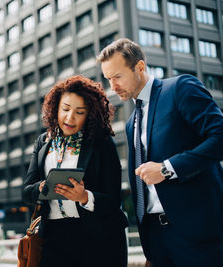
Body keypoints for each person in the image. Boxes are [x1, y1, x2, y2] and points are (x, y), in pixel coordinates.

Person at [98, 38, 223, 267]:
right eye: (108, 79)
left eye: (117, 76)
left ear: (140, 67)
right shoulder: (131, 122)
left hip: (198, 235)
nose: (112, 86)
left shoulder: (179, 88)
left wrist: (167, 168)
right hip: (156, 240)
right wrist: (151, 248)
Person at [22, 75, 128, 267]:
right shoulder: (44, 142)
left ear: (90, 114)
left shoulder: (101, 143)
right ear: (55, 108)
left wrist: (85, 197)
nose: (70, 118)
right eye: (65, 109)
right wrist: (43, 187)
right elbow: (27, 191)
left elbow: (113, 200)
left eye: (79, 112)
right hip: (53, 238)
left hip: (96, 240)